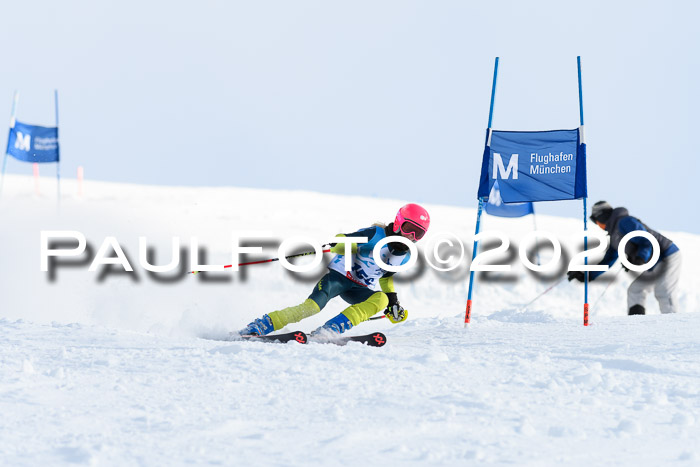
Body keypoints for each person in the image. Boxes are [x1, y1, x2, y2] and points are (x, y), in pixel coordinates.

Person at [239, 203, 430, 336]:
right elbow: (343, 238)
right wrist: (343, 244)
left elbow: (385, 277)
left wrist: (393, 302)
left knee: (381, 299)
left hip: (359, 289)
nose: (411, 236)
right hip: (339, 279)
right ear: (398, 222)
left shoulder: (403, 256)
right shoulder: (375, 234)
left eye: (418, 233)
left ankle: (330, 330)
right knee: (311, 308)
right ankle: (263, 324)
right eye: (408, 228)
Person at [568, 201, 681, 315]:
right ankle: (637, 322)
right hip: (653, 264)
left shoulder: (625, 222)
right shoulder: (614, 237)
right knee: (635, 290)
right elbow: (608, 260)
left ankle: (672, 324)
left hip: (667, 255)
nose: (598, 225)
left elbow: (647, 240)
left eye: (597, 221)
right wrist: (588, 275)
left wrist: (639, 258)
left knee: (663, 291)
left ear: (602, 216)